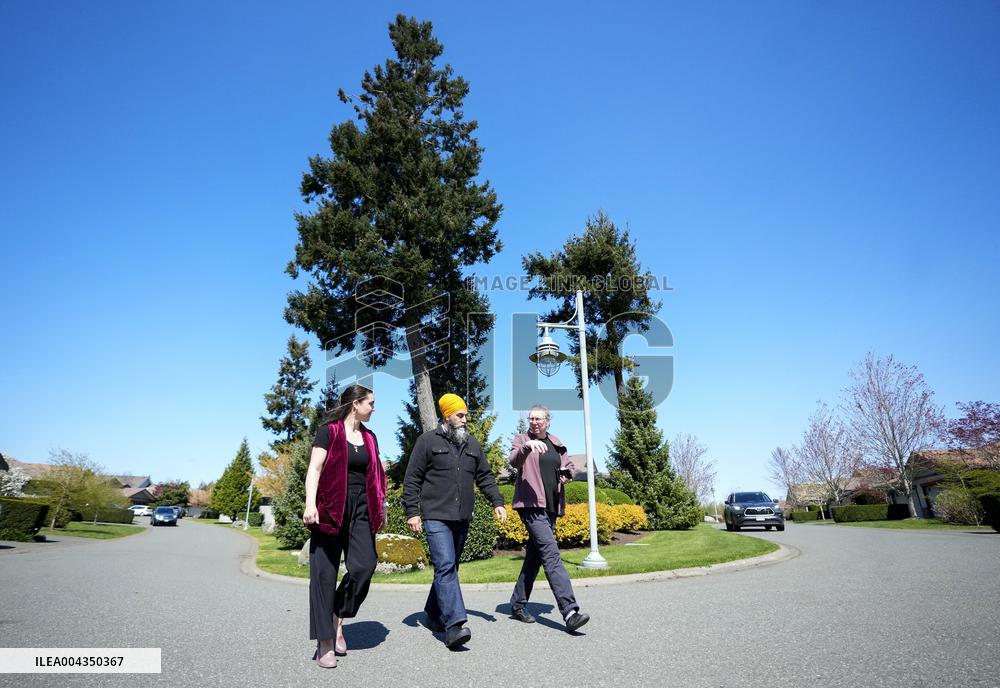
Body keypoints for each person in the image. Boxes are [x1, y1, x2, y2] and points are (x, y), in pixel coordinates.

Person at [402, 393, 507, 649]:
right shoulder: (427, 441)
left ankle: (432, 613)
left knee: (448, 568)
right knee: (446, 565)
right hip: (435, 515)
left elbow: (485, 476)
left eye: (465, 415)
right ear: (446, 415)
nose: (464, 419)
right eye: (460, 415)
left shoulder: (471, 443)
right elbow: (412, 478)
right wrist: (412, 511)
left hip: (462, 517)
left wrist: (497, 502)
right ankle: (454, 626)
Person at [303, 384, 387, 669]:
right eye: (370, 403)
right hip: (330, 508)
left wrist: (381, 506)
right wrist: (310, 504)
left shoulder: (370, 437)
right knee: (324, 575)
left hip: (362, 508)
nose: (374, 408)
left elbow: (377, 475)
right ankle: (324, 642)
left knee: (364, 566)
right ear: (355, 404)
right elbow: (314, 469)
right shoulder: (329, 431)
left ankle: (337, 617)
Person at [507, 404, 590, 632]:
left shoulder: (555, 442)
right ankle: (570, 611)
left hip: (551, 506)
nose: (534, 422)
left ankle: (517, 604)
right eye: (531, 419)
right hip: (531, 505)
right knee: (551, 555)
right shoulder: (522, 440)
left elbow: (569, 465)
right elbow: (513, 461)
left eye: (539, 419)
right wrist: (527, 447)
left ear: (548, 421)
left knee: (535, 557)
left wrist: (568, 475)